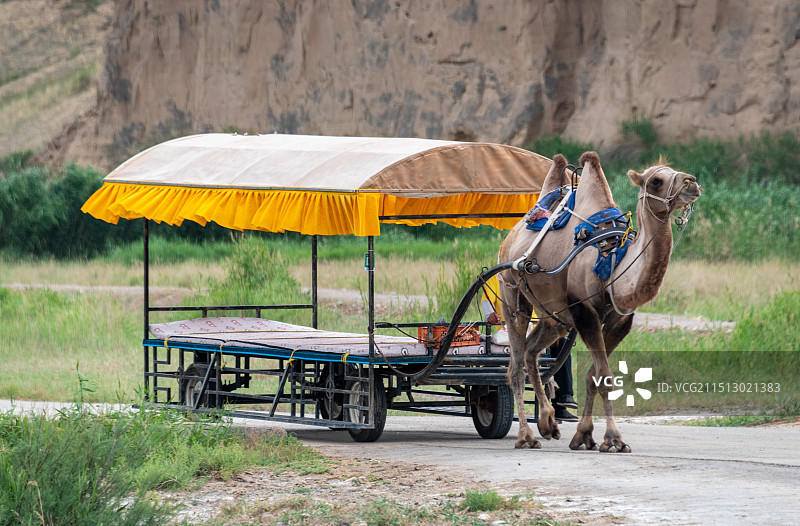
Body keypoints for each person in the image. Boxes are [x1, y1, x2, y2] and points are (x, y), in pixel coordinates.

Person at [480, 275, 578, 422]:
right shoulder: (495, 279)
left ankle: (563, 400)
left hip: (534, 330)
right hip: (512, 333)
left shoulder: (529, 278)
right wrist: (490, 316)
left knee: (561, 344)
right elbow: (487, 307)